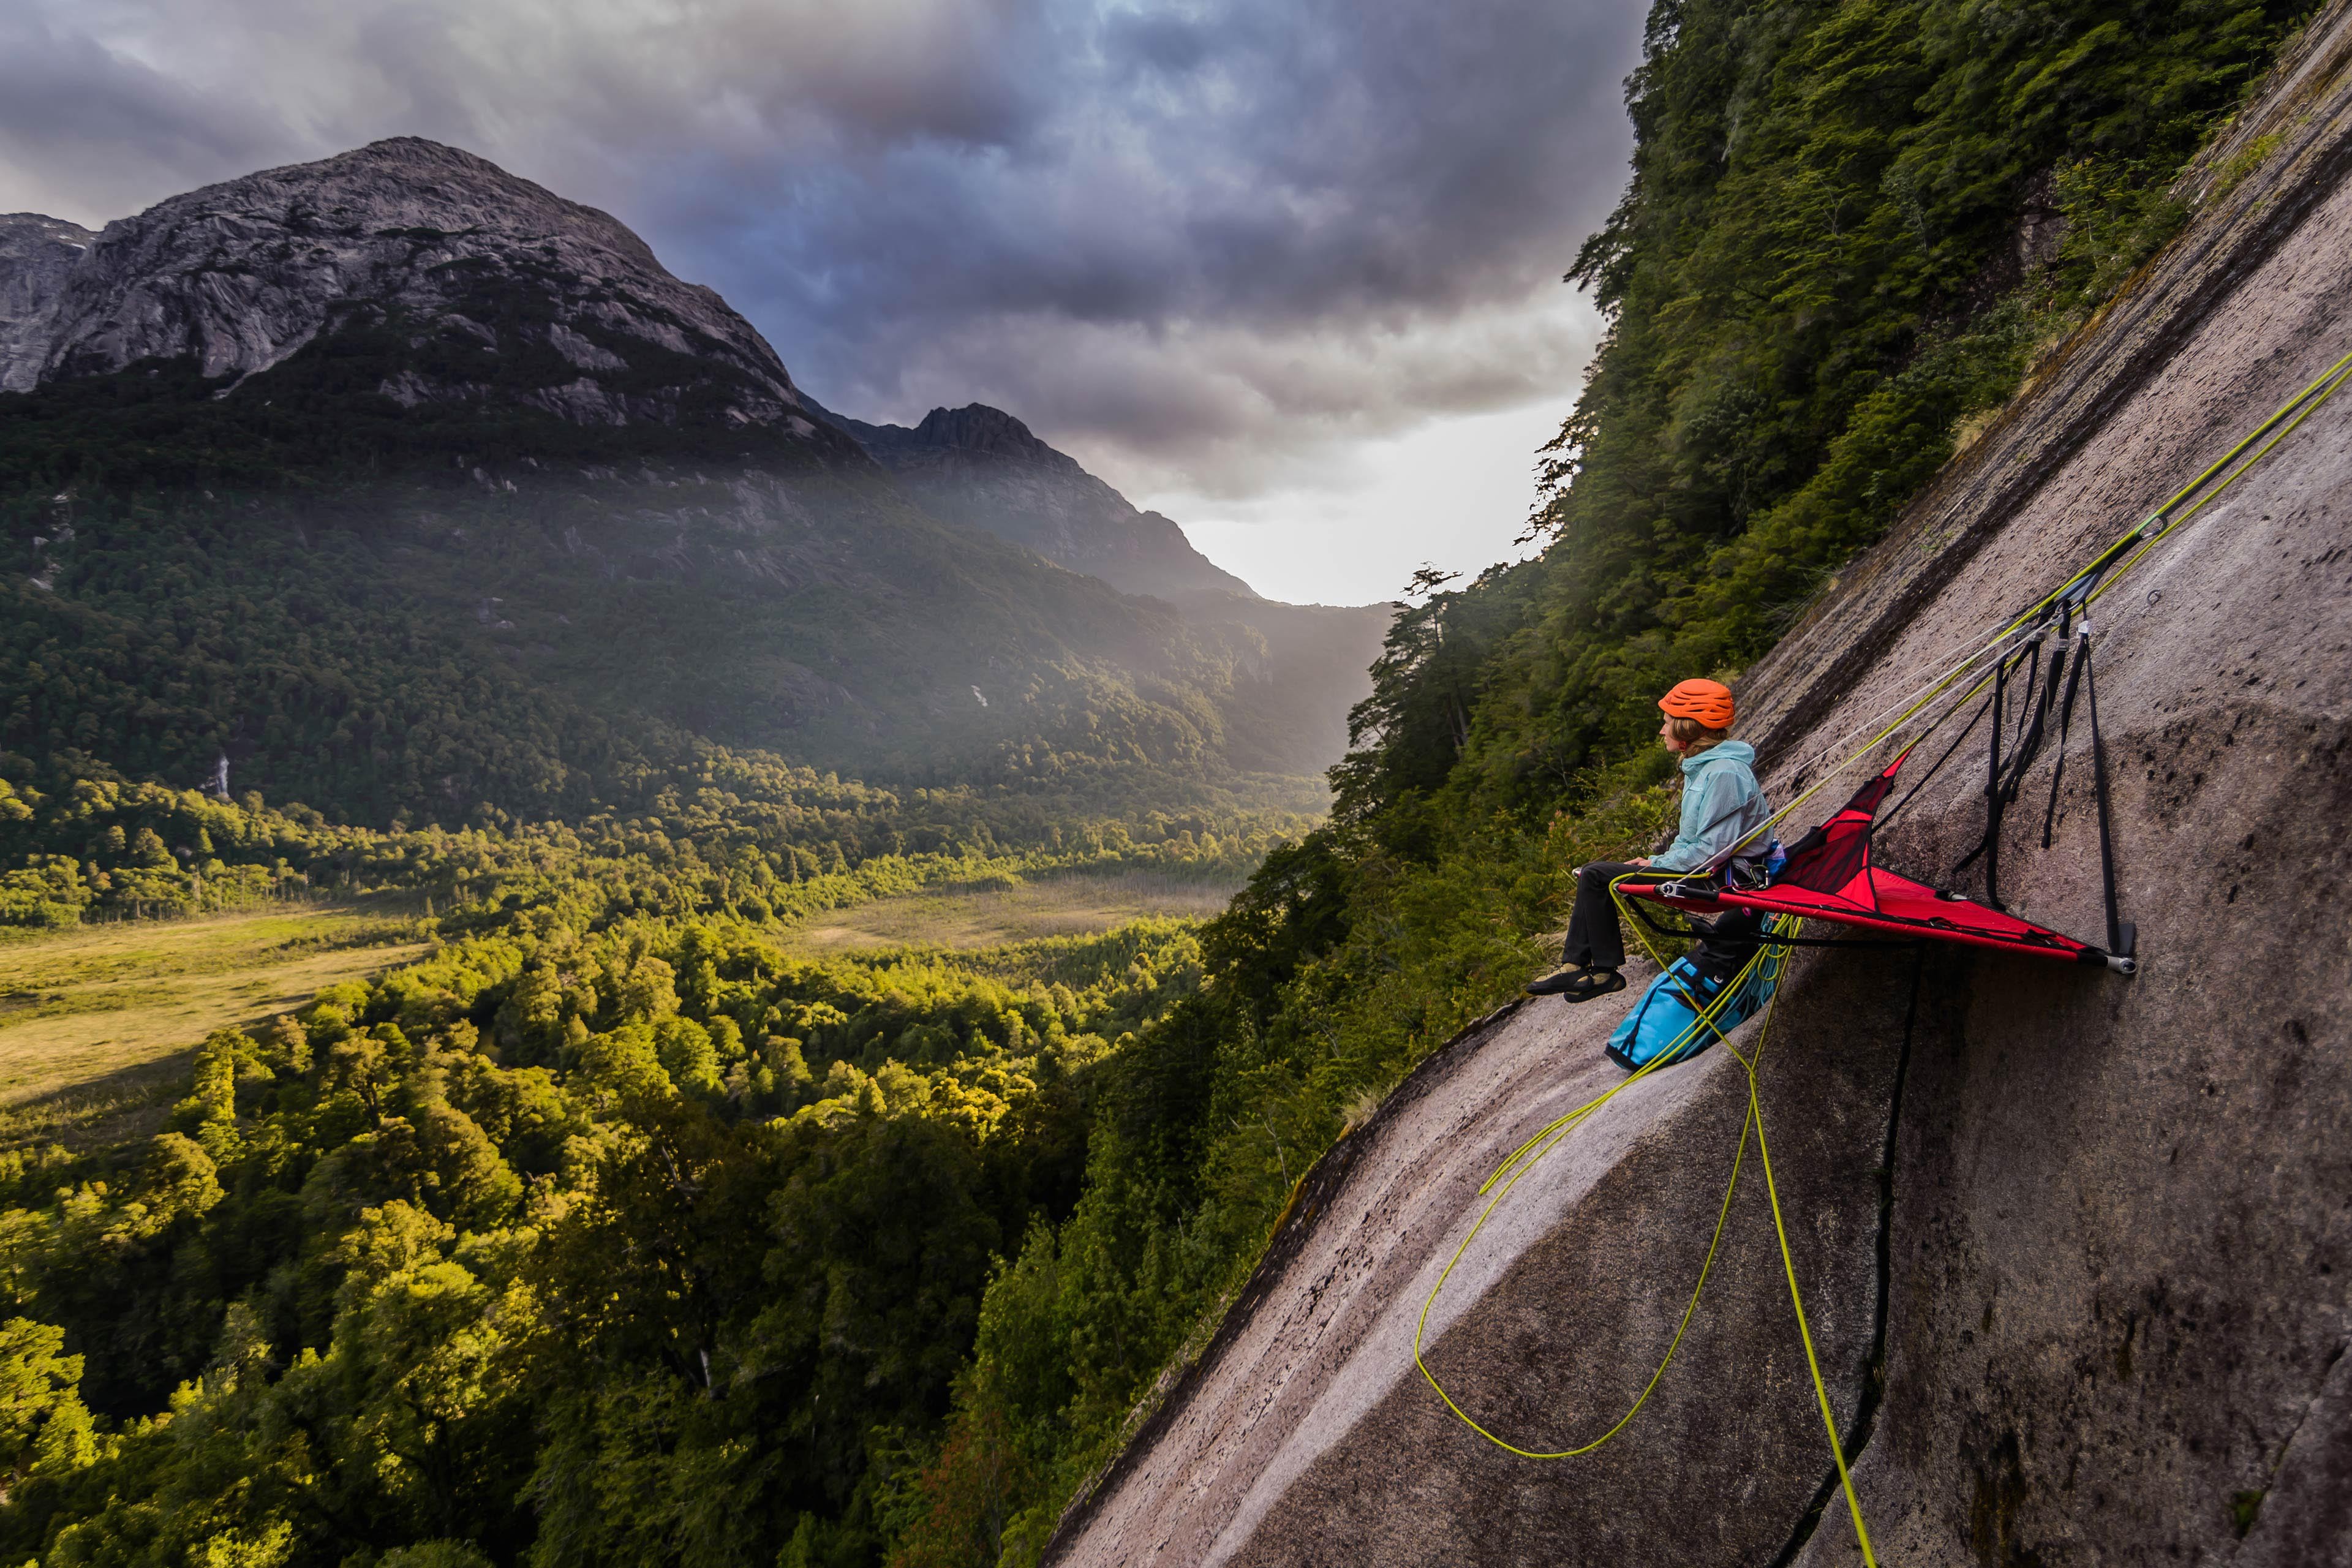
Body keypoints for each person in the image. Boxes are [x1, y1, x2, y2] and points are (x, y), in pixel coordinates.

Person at [1526, 678, 1775, 1001]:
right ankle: (1588, 969)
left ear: (1688, 728)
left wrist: (1665, 864)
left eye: (1667, 723)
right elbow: (1692, 842)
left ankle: (1594, 971)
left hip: (1724, 880)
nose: (1662, 731)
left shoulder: (1725, 773)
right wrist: (1656, 862)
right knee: (1594, 874)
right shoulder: (1703, 769)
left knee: (1596, 874)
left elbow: (1712, 851)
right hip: (1711, 872)